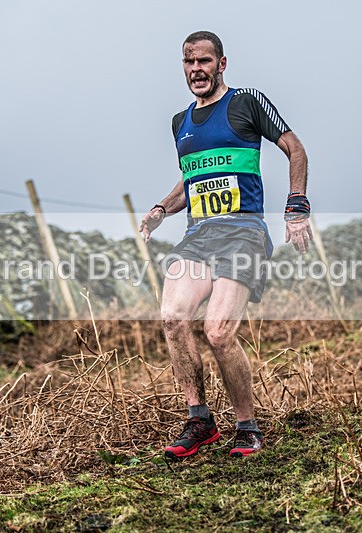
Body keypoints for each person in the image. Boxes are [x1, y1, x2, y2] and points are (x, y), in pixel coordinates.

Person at [138, 31, 312, 459]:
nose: (196, 69)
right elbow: (192, 180)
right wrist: (161, 208)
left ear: (221, 63)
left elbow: (295, 149)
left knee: (217, 332)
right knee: (173, 318)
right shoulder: (180, 122)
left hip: (243, 232)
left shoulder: (246, 102)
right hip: (199, 235)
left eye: (204, 61)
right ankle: (200, 421)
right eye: (189, 62)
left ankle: (247, 427)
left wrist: (297, 205)